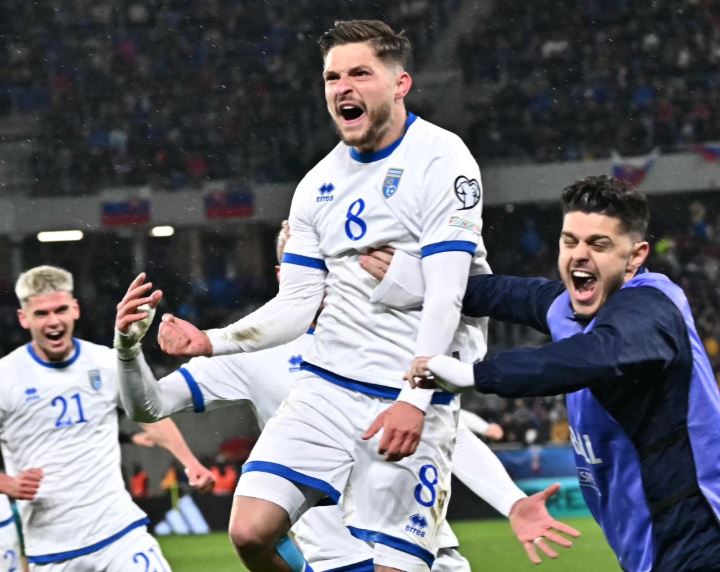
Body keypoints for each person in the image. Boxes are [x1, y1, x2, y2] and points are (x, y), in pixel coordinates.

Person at [153, 19, 494, 572]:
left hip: (407, 390)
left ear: (400, 84)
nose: (342, 88)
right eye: (333, 77)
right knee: (250, 532)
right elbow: (298, 303)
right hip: (327, 385)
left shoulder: (442, 158)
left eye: (360, 73)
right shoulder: (317, 184)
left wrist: (414, 398)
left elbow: (447, 294)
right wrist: (211, 341)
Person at [113, 224, 580, 571]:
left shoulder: (394, 340)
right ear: (284, 274)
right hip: (336, 560)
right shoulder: (250, 349)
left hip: (425, 552)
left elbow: (447, 434)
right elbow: (148, 406)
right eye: (312, 262)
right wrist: (129, 351)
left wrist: (513, 501)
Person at [370, 175, 720, 572]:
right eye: (570, 241)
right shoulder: (567, 308)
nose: (579, 255)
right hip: (654, 547)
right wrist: (419, 281)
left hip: (702, 534)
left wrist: (476, 375)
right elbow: (501, 293)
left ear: (636, 256)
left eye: (599, 244)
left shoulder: (653, 308)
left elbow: (595, 354)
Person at [0, 265, 214, 571]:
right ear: (24, 318)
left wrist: (189, 462)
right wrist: (6, 483)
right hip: (51, 551)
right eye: (41, 314)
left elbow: (148, 415)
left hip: (120, 535)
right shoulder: (6, 377)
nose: (53, 321)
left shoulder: (104, 361)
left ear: (75, 309)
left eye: (60, 310)